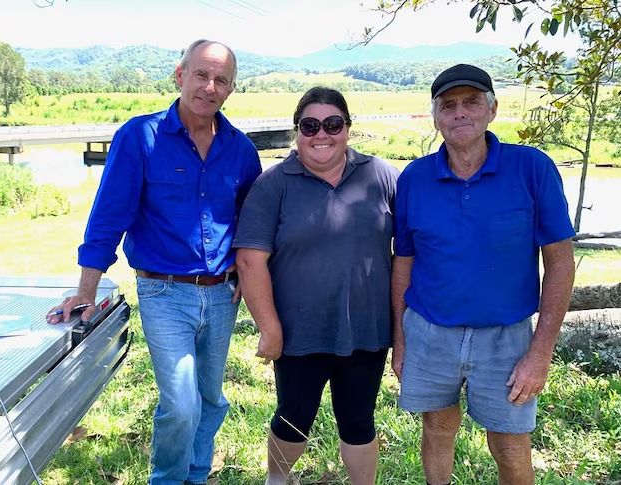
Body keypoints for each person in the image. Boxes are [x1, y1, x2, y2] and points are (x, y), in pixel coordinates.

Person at [48, 39, 261, 485]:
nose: (209, 86)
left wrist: (250, 276)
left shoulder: (241, 149)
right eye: (201, 74)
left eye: (221, 79)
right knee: (181, 402)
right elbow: (109, 216)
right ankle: (167, 479)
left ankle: (196, 475)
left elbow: (252, 225)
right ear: (180, 75)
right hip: (164, 292)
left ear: (231, 89)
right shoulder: (139, 137)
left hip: (222, 295)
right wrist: (86, 291)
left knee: (210, 398)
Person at [392, 64, 576, 485]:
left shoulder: (531, 168)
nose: (460, 113)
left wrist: (541, 352)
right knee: (437, 428)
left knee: (510, 444)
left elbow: (560, 262)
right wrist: (400, 342)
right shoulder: (415, 178)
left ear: (492, 109)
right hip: (429, 330)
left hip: (507, 337)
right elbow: (403, 261)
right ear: (435, 116)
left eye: (471, 102)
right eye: (448, 105)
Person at [233, 87, 399, 485]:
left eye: (332, 124)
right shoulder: (274, 184)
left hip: (366, 328)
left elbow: (415, 248)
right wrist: (269, 329)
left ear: (347, 129)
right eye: (309, 125)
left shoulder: (381, 175)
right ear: (297, 131)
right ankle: (277, 478)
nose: (320, 134)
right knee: (293, 417)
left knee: (359, 419)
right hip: (298, 331)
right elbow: (249, 260)